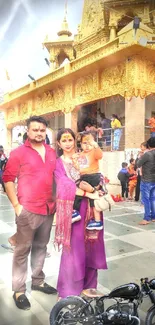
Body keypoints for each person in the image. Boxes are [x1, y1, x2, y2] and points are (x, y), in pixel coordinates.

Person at [2, 115, 57, 310]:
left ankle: (38, 281)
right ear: (28, 131)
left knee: (41, 246)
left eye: (42, 130)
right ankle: (18, 290)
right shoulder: (18, 153)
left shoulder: (51, 152)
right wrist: (17, 206)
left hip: (49, 208)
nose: (39, 133)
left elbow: (57, 178)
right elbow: (8, 179)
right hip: (28, 209)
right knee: (22, 250)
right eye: (35, 130)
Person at [54, 128, 107, 299]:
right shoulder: (59, 163)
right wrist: (87, 193)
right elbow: (64, 185)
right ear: (58, 143)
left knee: (93, 244)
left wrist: (95, 189)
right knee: (74, 248)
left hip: (91, 208)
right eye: (64, 140)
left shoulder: (84, 154)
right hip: (74, 210)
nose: (68, 143)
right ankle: (68, 288)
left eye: (70, 140)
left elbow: (97, 173)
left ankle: (90, 285)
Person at [72, 131, 103, 230]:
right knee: (85, 196)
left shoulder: (94, 151)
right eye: (85, 143)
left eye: (90, 142)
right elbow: (79, 168)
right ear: (80, 144)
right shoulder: (80, 154)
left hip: (93, 176)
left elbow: (100, 155)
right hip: (85, 176)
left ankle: (76, 212)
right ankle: (96, 221)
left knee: (79, 188)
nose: (87, 145)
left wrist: (96, 146)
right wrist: (74, 161)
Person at [137, 137, 155, 225]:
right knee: (153, 199)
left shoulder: (147, 154)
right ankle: (153, 217)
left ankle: (146, 218)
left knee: (146, 199)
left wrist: (140, 156)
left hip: (146, 180)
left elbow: (138, 164)